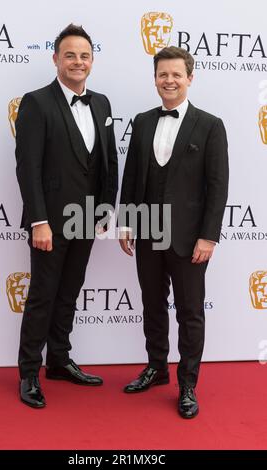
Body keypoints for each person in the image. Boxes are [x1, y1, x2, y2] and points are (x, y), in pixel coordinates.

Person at [119, 46, 228, 418]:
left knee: (189, 312)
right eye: (162, 74)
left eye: (176, 74)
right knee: (152, 303)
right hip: (148, 231)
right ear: (155, 79)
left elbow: (217, 185)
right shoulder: (143, 120)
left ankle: (188, 384)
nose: (169, 80)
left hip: (188, 237)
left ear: (190, 78)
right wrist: (127, 221)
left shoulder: (210, 125)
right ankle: (155, 367)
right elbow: (132, 175)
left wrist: (208, 236)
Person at [15, 24, 118, 408]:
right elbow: (28, 167)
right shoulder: (36, 102)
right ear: (56, 58)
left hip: (87, 220)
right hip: (51, 224)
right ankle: (28, 372)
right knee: (42, 295)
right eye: (70, 55)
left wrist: (106, 209)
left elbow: (109, 160)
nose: (78, 62)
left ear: (92, 60)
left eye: (85, 55)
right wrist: (38, 221)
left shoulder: (103, 103)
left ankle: (58, 360)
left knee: (69, 293)